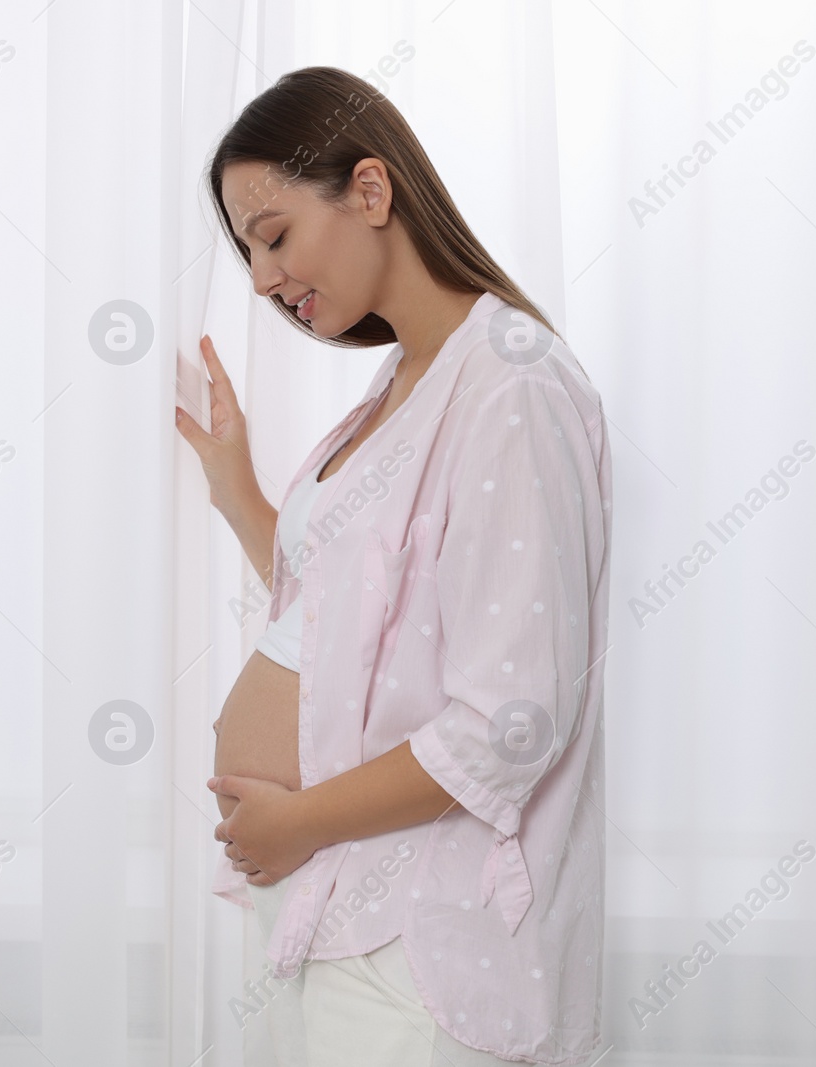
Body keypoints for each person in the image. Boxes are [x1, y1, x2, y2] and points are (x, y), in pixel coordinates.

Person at [175, 66, 612, 1066]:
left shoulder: (513, 384)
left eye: (274, 235)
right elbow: (343, 617)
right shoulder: (403, 381)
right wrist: (238, 493)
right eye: (246, 253)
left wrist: (297, 821)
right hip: (333, 906)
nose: (260, 280)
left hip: (417, 939)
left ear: (370, 192)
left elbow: (511, 719)